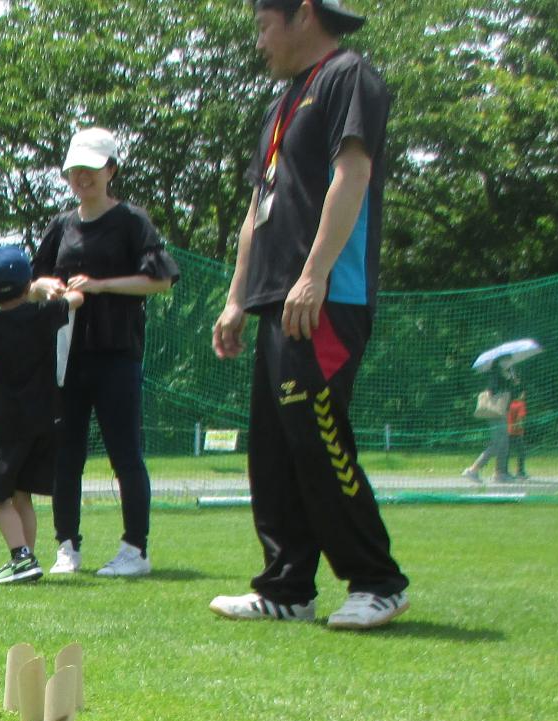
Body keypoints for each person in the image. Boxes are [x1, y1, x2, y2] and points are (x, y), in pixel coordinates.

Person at [210, 0, 410, 630]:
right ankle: (287, 586)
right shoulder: (281, 104)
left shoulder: (349, 76)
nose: (259, 41)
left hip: (325, 296)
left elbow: (352, 174)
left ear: (302, 15)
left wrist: (315, 273)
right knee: (272, 451)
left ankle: (378, 581)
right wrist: (237, 297)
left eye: (264, 26)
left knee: (319, 440)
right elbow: (256, 208)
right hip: (275, 298)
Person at [34, 126, 180, 578]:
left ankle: (135, 549)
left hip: (118, 352)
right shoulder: (60, 225)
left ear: (111, 169)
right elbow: (33, 283)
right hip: (67, 356)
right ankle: (66, 546)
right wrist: (46, 287)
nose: (83, 177)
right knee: (66, 454)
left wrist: (100, 286)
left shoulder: (132, 221)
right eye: (76, 169)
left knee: (125, 452)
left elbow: (160, 279)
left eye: (92, 169)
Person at [0, 246, 85, 585]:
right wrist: (50, 289)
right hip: (46, 418)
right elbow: (77, 299)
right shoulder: (45, 315)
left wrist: (32, 290)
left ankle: (20, 557)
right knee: (22, 494)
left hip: (10, 423)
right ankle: (30, 561)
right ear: (27, 285)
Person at [462, 358, 518, 482]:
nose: (511, 362)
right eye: (508, 360)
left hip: (502, 412)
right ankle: (473, 470)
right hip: (495, 413)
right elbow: (491, 391)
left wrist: (512, 378)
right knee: (497, 444)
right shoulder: (495, 375)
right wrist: (507, 381)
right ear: (501, 362)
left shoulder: (506, 375)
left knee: (504, 443)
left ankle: (500, 473)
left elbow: (516, 391)